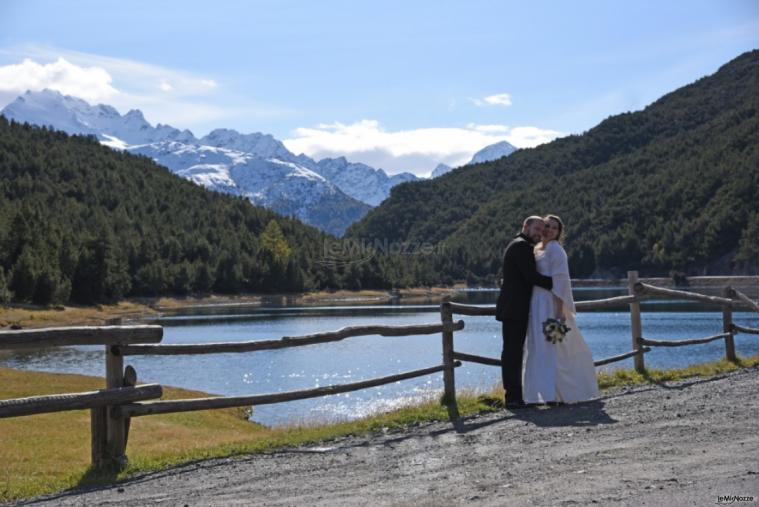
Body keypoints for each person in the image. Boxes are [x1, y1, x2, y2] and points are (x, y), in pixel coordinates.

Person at [522, 215, 599, 404]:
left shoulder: (556, 251)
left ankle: (562, 393)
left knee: (555, 349)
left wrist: (558, 315)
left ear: (559, 233)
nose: (549, 230)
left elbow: (561, 283)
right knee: (538, 349)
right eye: (547, 226)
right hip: (536, 303)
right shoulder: (537, 249)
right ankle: (543, 394)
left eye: (554, 228)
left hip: (550, 305)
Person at [495, 216, 553, 408]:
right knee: (512, 352)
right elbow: (531, 276)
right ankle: (512, 397)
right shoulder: (521, 246)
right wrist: (556, 283)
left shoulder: (522, 245)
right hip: (514, 308)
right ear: (525, 226)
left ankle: (518, 395)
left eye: (541, 230)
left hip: (515, 307)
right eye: (536, 228)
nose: (539, 232)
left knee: (514, 351)